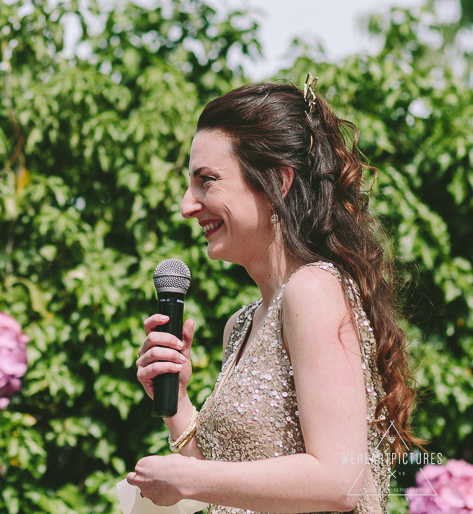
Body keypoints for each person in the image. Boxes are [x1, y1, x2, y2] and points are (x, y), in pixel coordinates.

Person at [127, 79, 419, 513]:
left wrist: (187, 477)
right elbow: (229, 488)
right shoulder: (241, 324)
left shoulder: (313, 289)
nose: (188, 205)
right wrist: (178, 402)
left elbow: (340, 480)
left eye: (206, 181)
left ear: (278, 181)